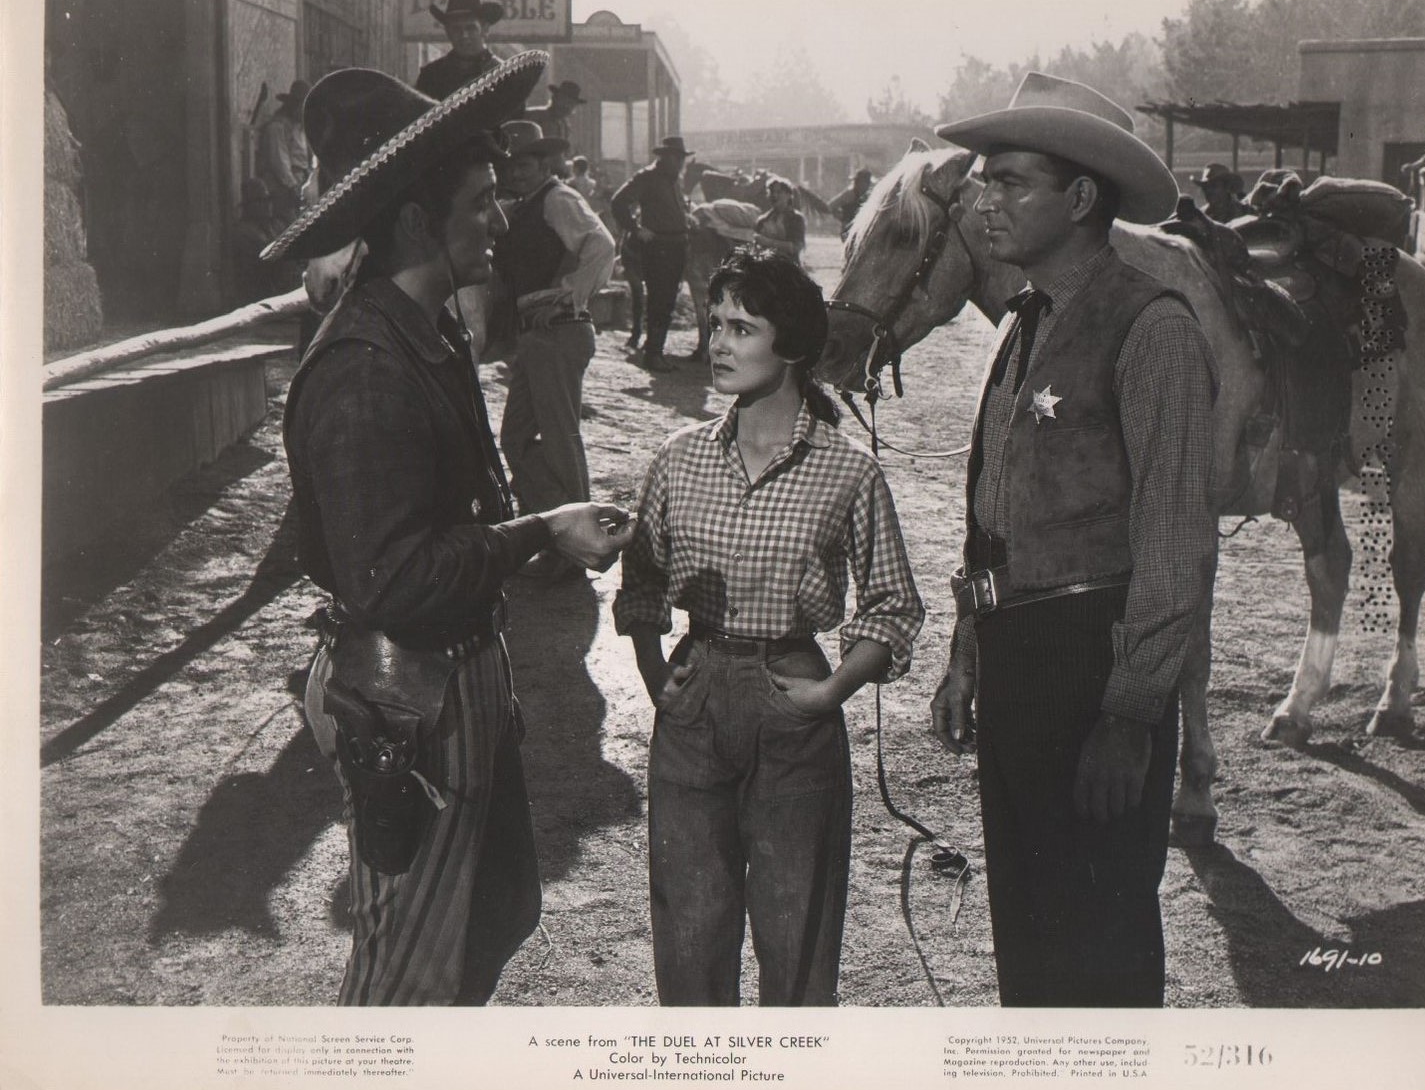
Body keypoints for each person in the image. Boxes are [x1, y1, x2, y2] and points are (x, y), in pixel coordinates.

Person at [261, 56, 635, 1006]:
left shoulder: (428, 330)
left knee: (493, 912)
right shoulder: (364, 368)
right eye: (480, 203)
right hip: (408, 698)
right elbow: (392, 578)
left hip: (457, 675)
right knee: (408, 977)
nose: (502, 221)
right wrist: (539, 529)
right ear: (418, 222)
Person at [929, 71, 1216, 1007]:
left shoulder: (1152, 327)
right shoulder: (1026, 322)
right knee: (1030, 936)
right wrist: (968, 650)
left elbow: (1173, 541)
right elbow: (994, 509)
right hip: (1017, 659)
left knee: (1099, 944)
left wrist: (1129, 714)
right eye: (981, 179)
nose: (983, 198)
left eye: (1010, 180)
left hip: (1093, 667)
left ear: (1081, 197)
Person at [614, 247, 924, 1006]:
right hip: (693, 700)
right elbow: (643, 583)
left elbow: (892, 602)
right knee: (689, 928)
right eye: (715, 323)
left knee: (796, 933)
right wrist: (662, 683)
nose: (717, 342)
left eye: (741, 327)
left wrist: (827, 694)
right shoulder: (676, 459)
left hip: (794, 704)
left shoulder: (847, 471)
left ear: (791, 345)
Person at [493, 119, 617, 580]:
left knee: (560, 440)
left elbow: (601, 246)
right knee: (515, 437)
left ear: (543, 163)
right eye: (508, 166)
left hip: (560, 331)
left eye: (524, 164)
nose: (516, 173)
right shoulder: (523, 205)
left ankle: (577, 548)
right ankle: (552, 530)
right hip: (535, 336)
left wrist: (567, 294)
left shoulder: (559, 198)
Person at [609, 135, 694, 371]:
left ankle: (656, 351)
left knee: (667, 301)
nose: (680, 163)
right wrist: (636, 230)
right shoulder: (647, 177)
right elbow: (618, 202)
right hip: (659, 248)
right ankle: (653, 355)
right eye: (676, 158)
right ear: (664, 157)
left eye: (681, 158)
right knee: (658, 299)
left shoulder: (673, 180)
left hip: (677, 246)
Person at [414, 0, 505, 102]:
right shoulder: (431, 75)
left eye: (471, 28)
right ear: (448, 32)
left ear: (485, 29)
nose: (464, 35)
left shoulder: (504, 74)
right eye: (456, 29)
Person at [255, 79, 311, 227]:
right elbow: (280, 164)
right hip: (282, 189)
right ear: (294, 105)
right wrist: (294, 188)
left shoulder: (299, 128)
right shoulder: (277, 127)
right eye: (303, 107)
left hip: (298, 186)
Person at [752, 176, 807, 265]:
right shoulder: (762, 220)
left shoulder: (796, 219)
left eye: (779, 192)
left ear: (788, 195)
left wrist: (767, 242)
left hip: (789, 267)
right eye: (772, 192)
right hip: (765, 267)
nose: (774, 195)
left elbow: (796, 247)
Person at [526, 78, 585, 143]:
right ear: (554, 98)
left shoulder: (565, 126)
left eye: (570, 103)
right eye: (563, 100)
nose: (566, 106)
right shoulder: (534, 116)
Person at [829, 168, 875, 239]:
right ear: (859, 182)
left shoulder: (870, 195)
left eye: (868, 182)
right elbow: (831, 206)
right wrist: (842, 217)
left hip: (864, 231)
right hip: (848, 231)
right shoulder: (849, 194)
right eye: (865, 182)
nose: (868, 185)